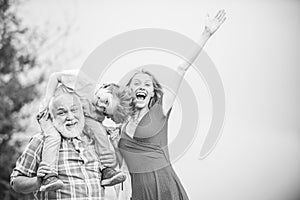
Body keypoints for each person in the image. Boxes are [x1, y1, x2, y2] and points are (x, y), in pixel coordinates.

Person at [111, 9, 226, 200]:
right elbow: (121, 168)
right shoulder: (121, 127)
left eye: (147, 85)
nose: (142, 87)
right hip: (137, 193)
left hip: (164, 188)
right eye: (136, 83)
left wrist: (206, 33)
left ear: (152, 93)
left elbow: (181, 68)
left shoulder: (161, 110)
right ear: (128, 91)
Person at [10, 90, 119, 199]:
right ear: (51, 116)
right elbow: (16, 182)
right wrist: (37, 182)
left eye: (74, 110)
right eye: (62, 112)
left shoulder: (94, 140)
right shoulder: (41, 141)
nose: (70, 117)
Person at [36, 69, 134, 191]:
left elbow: (91, 123)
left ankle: (106, 169)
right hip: (51, 112)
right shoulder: (83, 82)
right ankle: (49, 175)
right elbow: (55, 77)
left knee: (100, 133)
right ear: (106, 87)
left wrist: (104, 129)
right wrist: (47, 100)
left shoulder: (98, 113)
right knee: (53, 137)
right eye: (106, 101)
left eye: (105, 111)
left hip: (73, 118)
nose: (100, 106)